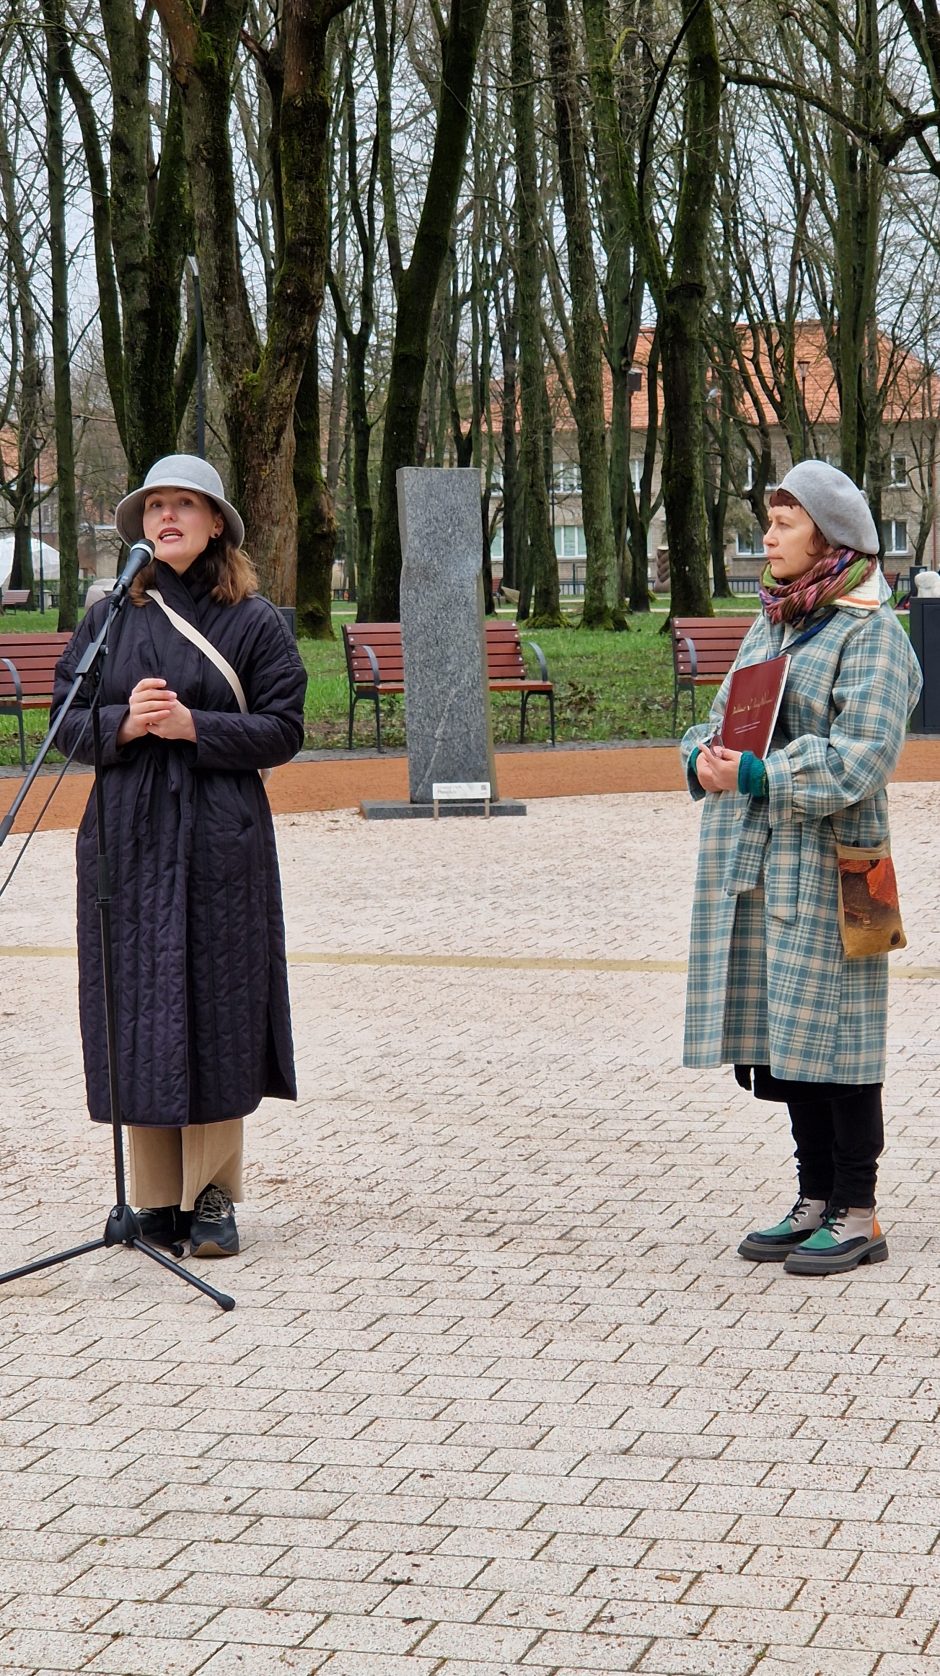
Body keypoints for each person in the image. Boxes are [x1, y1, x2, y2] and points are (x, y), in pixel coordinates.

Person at [52, 455, 308, 1258]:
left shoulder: (255, 620)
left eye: (184, 506)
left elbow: (285, 728)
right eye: (155, 506)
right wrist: (125, 725)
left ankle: (210, 1200)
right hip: (124, 835)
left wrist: (194, 728)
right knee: (138, 1003)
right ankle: (153, 1201)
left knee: (217, 1006)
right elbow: (65, 720)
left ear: (215, 524)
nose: (167, 518)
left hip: (218, 833)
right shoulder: (108, 616)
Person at [681, 460, 922, 1276]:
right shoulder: (775, 624)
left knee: (844, 1039)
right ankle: (813, 1196)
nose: (768, 536)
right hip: (772, 861)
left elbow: (861, 760)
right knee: (793, 1037)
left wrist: (755, 775)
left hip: (852, 871)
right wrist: (705, 758)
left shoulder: (873, 632)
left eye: (783, 522)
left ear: (828, 534)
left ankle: (859, 1211)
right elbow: (719, 718)